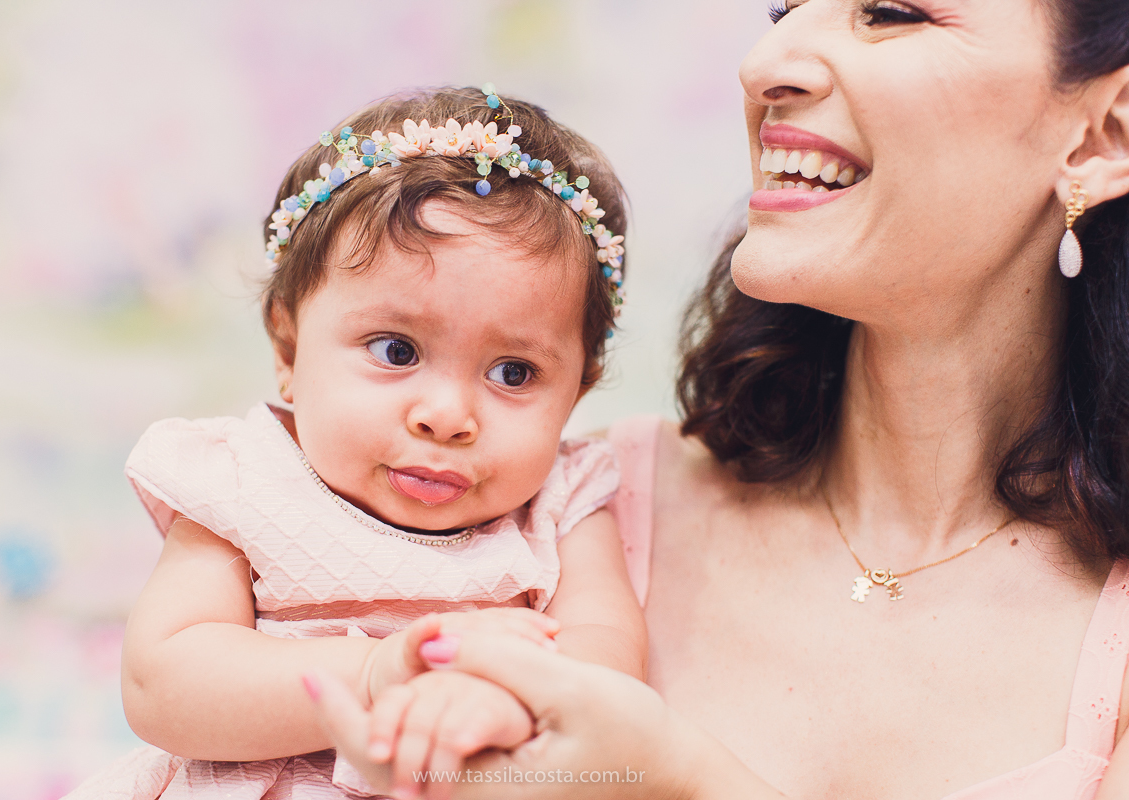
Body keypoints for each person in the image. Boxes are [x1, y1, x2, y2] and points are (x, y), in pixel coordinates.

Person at [306, 1, 1129, 798]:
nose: (763, 65)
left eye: (889, 11)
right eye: (784, 9)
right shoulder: (549, 511)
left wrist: (674, 779)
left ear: (1102, 136)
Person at [62, 86, 646, 800]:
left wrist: (509, 700)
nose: (446, 416)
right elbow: (164, 683)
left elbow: (608, 664)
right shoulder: (243, 480)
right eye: (397, 351)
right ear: (288, 348)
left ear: (577, 392)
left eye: (513, 373)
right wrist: (373, 676)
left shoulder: (562, 505)